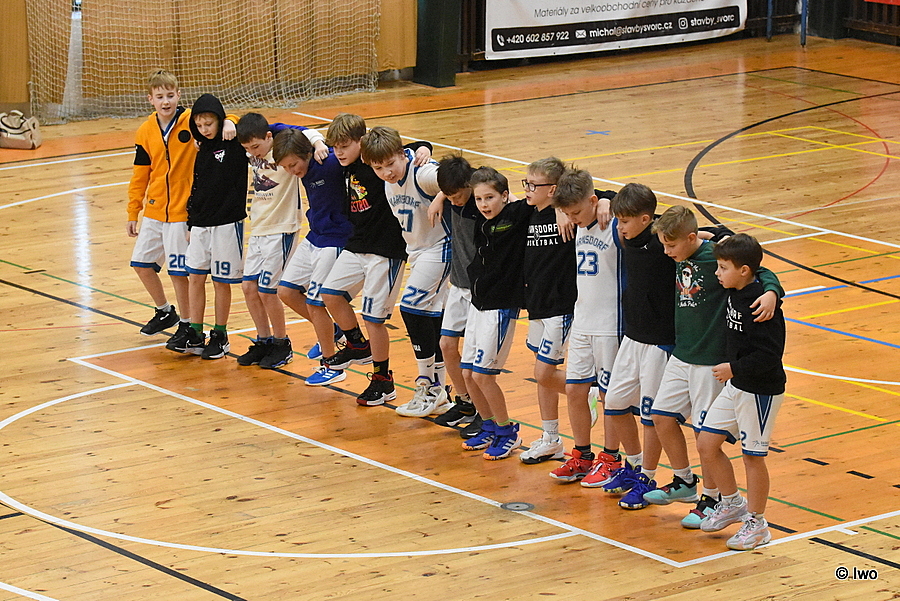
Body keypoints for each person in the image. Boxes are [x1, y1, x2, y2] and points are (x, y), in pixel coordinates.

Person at [644, 205, 782, 523]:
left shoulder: (716, 257)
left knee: (703, 433)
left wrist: (773, 291)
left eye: (671, 245)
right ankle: (684, 482)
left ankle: (712, 497)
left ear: (692, 238)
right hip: (683, 352)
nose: (666, 252)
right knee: (661, 416)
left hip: (711, 360)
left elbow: (759, 270)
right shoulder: (681, 252)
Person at [318, 114, 431, 406]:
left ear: (362, 142)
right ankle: (357, 344)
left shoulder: (376, 162)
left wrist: (424, 147)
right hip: (358, 243)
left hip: (386, 249)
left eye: (344, 146)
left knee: (374, 318)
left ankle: (383, 380)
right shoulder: (347, 165)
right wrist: (317, 142)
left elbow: (406, 149)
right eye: (335, 147)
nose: (339, 152)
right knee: (330, 294)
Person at [126, 69, 235, 345]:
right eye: (160, 96)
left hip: (181, 212)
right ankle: (165, 311)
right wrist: (133, 210)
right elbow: (140, 174)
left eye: (170, 95)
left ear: (179, 95)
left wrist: (230, 121)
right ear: (150, 99)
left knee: (179, 273)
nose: (166, 101)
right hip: (154, 210)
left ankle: (187, 324)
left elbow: (223, 117)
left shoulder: (190, 120)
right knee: (141, 264)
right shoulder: (145, 131)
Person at [696, 233, 786, 550]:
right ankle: (732, 502)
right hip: (737, 385)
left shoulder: (761, 303)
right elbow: (734, 243)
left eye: (723, 268)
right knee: (707, 443)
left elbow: (770, 355)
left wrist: (734, 368)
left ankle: (758, 524)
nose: (717, 273)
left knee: (752, 458)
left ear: (744, 270)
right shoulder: (736, 289)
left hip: (760, 390)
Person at [361, 126, 452, 417]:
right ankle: (439, 390)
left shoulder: (422, 173)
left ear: (402, 154)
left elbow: (463, 177)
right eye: (378, 168)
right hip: (418, 251)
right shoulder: (391, 177)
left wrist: (442, 195)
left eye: (390, 164)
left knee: (411, 307)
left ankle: (427, 383)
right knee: (430, 315)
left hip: (442, 246)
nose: (386, 172)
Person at [546, 168, 625, 484]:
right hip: (582, 320)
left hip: (610, 324)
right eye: (568, 213)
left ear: (593, 202)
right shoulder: (577, 220)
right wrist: (565, 211)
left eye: (576, 213)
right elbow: (566, 191)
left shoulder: (615, 223)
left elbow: (641, 203)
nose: (572, 218)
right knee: (575, 389)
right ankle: (582, 455)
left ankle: (612, 458)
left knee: (609, 396)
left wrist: (609, 200)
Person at [594, 183, 672, 502]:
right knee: (614, 403)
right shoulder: (627, 235)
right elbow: (592, 191)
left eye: (625, 222)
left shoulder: (664, 240)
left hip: (660, 341)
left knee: (650, 415)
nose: (620, 228)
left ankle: (648, 477)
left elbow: (708, 233)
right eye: (618, 220)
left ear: (645, 219)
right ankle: (635, 463)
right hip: (632, 336)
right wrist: (604, 200)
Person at [235, 112, 327, 369]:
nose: (252, 152)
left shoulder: (283, 149)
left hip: (282, 227)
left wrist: (319, 143)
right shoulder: (253, 150)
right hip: (259, 226)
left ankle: (281, 343)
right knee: (249, 287)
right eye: (247, 148)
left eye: (255, 147)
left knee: (268, 289)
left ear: (268, 137)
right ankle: (263, 340)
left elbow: (305, 132)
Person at [272, 128, 352, 386]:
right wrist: (315, 138)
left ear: (306, 154)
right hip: (315, 235)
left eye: (293, 165)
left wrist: (420, 149)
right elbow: (279, 127)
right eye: (285, 167)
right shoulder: (304, 162)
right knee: (286, 292)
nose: (291, 171)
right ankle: (333, 330)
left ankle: (332, 365)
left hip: (336, 238)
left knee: (316, 303)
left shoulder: (329, 162)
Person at [460, 167, 529, 461]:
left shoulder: (517, 215)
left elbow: (549, 197)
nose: (484, 204)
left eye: (489, 197)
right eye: (479, 199)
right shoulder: (482, 221)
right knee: (467, 373)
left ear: (504, 195)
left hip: (500, 306)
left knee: (484, 375)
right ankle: (488, 426)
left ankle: (507, 431)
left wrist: (603, 199)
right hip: (478, 304)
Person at [517, 157, 579, 466]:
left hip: (560, 306)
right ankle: (551, 438)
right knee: (543, 376)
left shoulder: (568, 216)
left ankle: (584, 392)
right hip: (537, 306)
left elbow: (602, 194)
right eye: (526, 183)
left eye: (533, 185)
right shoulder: (527, 212)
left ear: (553, 189)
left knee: (543, 372)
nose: (527, 189)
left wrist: (561, 208)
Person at [181, 93, 248, 359]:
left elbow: (261, 125)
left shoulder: (234, 142)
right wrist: (191, 222)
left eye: (209, 123)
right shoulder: (201, 148)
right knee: (195, 277)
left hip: (227, 224)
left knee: (221, 281)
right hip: (200, 224)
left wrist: (232, 121)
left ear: (219, 120)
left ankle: (220, 335)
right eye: (199, 125)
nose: (204, 129)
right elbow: (198, 187)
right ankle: (196, 332)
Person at [430, 155, 482, 436]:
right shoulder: (450, 197)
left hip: (480, 292)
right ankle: (465, 402)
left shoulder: (482, 202)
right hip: (458, 285)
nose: (454, 201)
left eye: (457, 196)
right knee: (447, 346)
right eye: (449, 196)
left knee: (475, 360)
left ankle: (486, 413)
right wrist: (441, 197)